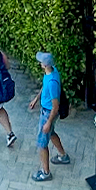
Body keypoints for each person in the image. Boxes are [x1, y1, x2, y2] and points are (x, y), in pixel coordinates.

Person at [28, 51, 70, 182]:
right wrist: (36, 99)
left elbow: (55, 106)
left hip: (48, 113)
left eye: (40, 61)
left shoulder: (52, 82)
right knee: (51, 133)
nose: (39, 63)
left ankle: (45, 172)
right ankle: (63, 156)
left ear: (45, 65)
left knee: (42, 143)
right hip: (46, 111)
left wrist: (48, 122)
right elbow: (44, 86)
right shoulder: (52, 71)